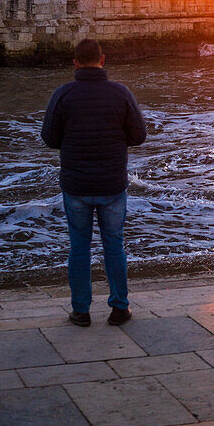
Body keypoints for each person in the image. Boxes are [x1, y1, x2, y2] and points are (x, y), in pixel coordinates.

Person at [41, 38, 147, 327]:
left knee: (79, 247)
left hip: (76, 186)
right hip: (112, 184)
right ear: (103, 60)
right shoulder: (120, 93)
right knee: (114, 245)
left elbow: (49, 138)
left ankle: (81, 311)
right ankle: (119, 309)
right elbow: (138, 136)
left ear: (75, 62)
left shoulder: (63, 94)